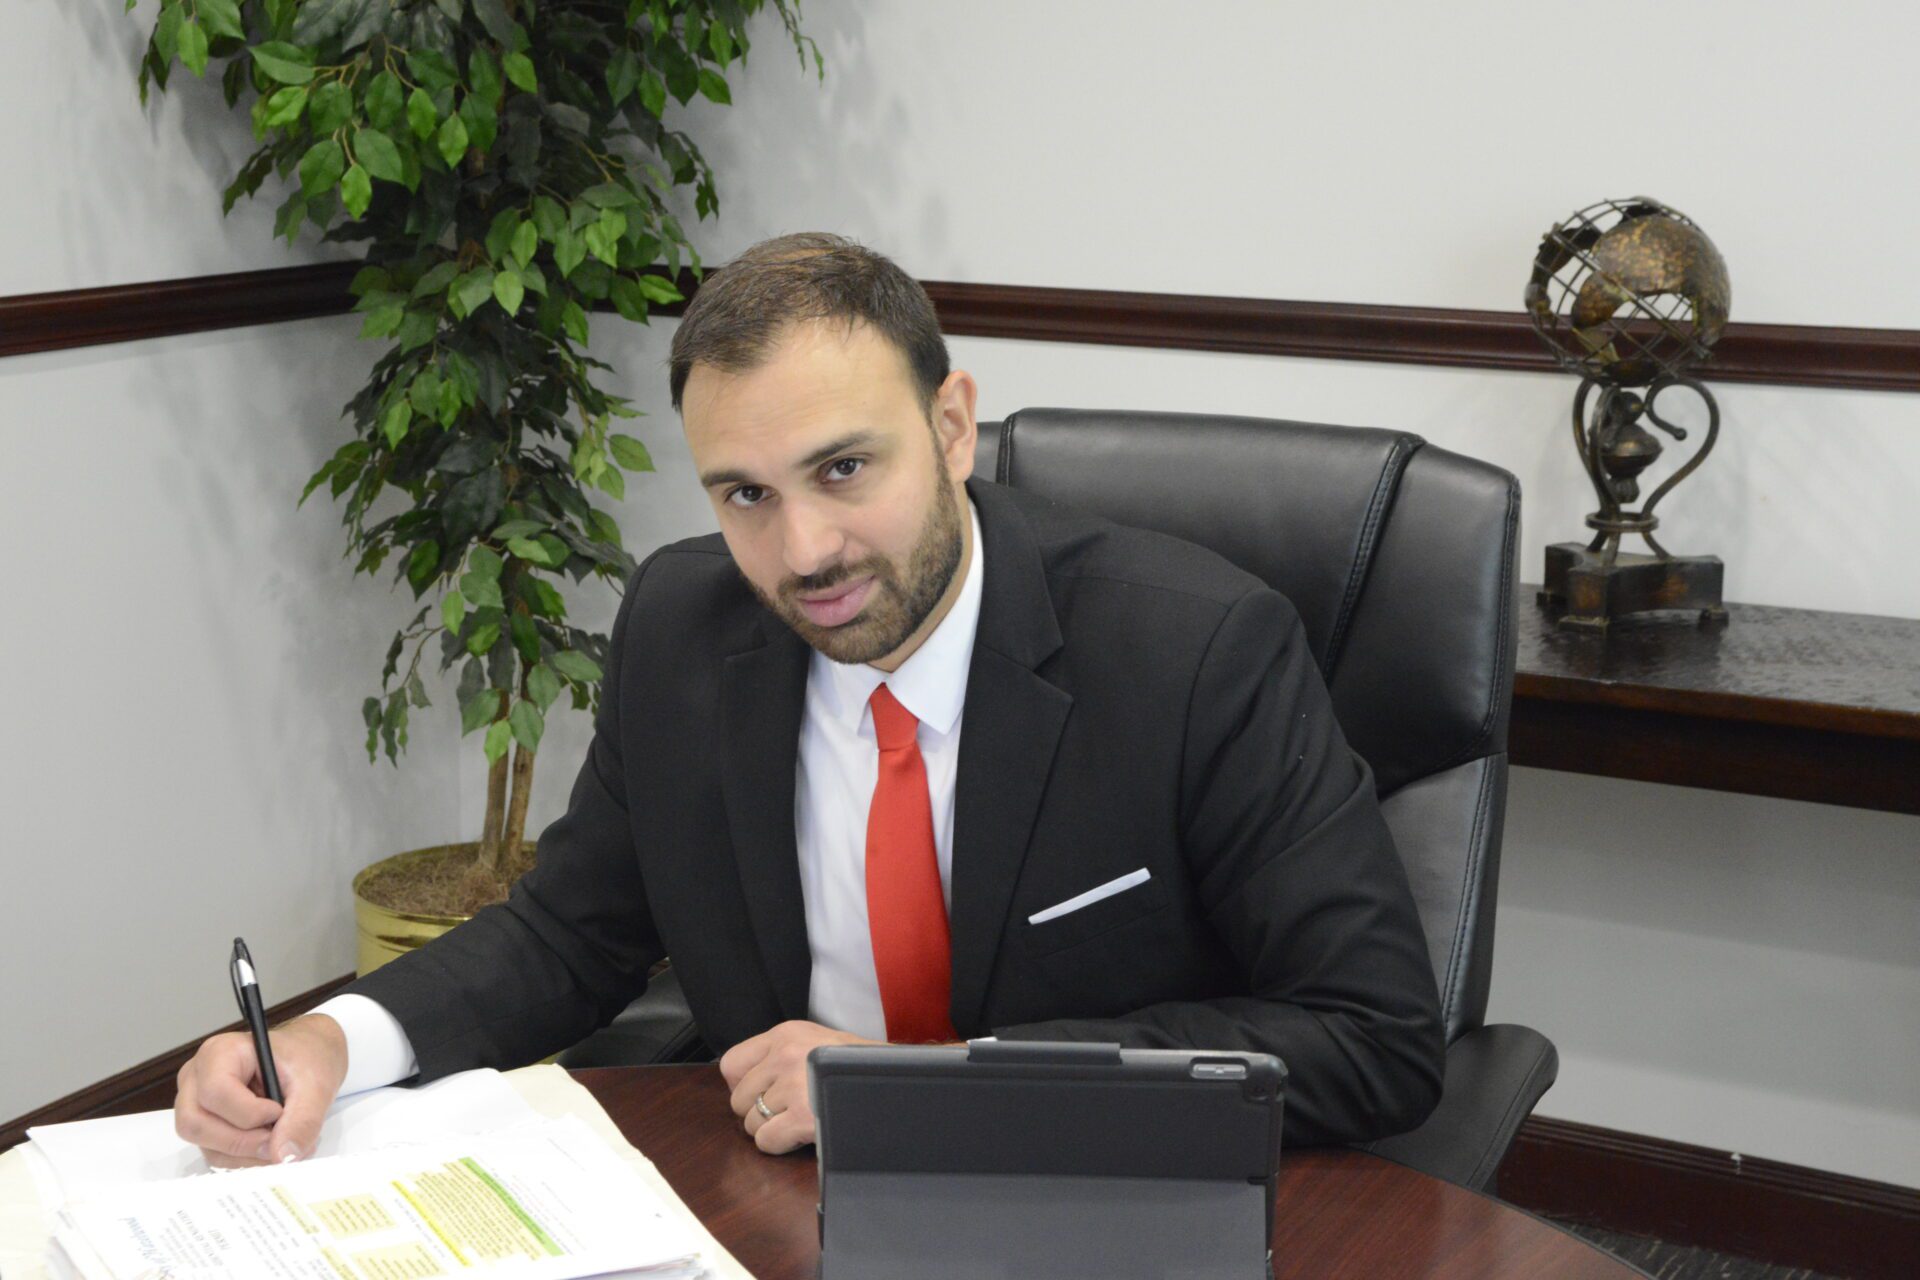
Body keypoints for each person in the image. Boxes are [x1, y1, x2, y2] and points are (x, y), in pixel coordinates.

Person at [174, 233, 1444, 1167]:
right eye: (745, 493)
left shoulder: (1197, 652)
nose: (804, 551)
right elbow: (572, 931)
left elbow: (1375, 1033)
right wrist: (340, 1040)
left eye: (845, 467)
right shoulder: (683, 627)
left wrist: (932, 1090)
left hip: (1098, 1203)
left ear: (952, 424)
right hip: (789, 1207)